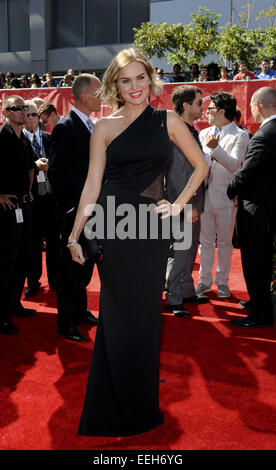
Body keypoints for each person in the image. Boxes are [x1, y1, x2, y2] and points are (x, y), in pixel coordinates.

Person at [67, 47, 208, 437]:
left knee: (145, 316)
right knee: (115, 314)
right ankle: (111, 402)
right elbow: (93, 184)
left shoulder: (167, 121)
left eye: (140, 78)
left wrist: (179, 204)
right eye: (125, 80)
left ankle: (138, 403)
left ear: (151, 79)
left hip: (150, 229)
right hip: (114, 226)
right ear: (115, 84)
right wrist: (75, 233)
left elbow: (201, 165)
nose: (134, 86)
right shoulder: (104, 127)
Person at [48, 74, 102, 342]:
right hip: (75, 212)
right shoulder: (65, 127)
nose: (102, 96)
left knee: (85, 265)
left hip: (92, 210)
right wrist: (69, 209)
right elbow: (57, 173)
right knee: (70, 269)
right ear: (84, 96)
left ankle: (80, 311)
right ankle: (66, 322)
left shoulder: (91, 125)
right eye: (98, 92)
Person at [228, 87, 276, 328]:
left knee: (255, 265)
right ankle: (260, 304)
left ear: (257, 105)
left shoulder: (265, 134)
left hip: (257, 213)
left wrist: (231, 189)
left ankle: (261, 314)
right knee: (263, 264)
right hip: (267, 211)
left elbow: (247, 172)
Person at [195, 92, 249, 298]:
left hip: (226, 197)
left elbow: (234, 164)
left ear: (222, 111)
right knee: (205, 242)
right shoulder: (203, 133)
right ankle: (204, 281)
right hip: (204, 195)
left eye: (210, 109)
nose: (206, 112)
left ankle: (222, 282)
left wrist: (215, 149)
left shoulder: (240, 135)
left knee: (225, 243)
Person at [165, 85, 208, 317]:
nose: (203, 108)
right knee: (181, 252)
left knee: (189, 251)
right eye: (199, 103)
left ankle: (186, 290)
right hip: (183, 205)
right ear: (185, 105)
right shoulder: (179, 131)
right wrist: (189, 205)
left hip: (190, 203)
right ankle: (173, 298)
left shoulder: (189, 130)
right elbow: (182, 173)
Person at [0, 95, 36, 335]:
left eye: (24, 108)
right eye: (16, 108)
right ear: (5, 112)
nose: (22, 112)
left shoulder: (24, 139)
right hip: (5, 209)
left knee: (21, 258)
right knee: (4, 262)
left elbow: (32, 166)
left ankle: (14, 304)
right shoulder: (1, 137)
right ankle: (2, 315)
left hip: (24, 206)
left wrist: (31, 191)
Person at [23, 100, 59, 297]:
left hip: (51, 198)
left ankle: (54, 280)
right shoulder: (19, 141)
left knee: (54, 241)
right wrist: (33, 165)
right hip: (31, 199)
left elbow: (61, 162)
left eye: (35, 115)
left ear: (40, 118)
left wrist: (49, 166)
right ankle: (33, 280)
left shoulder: (49, 138)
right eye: (28, 115)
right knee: (32, 242)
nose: (32, 119)